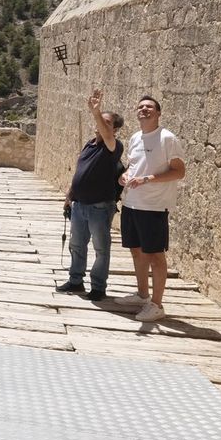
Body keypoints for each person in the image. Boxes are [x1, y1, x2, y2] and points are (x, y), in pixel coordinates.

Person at [117, 94, 185, 322]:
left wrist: (148, 179)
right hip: (131, 203)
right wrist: (126, 175)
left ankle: (157, 305)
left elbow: (179, 171)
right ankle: (142, 294)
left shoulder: (167, 138)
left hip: (154, 206)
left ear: (158, 113)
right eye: (140, 107)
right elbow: (133, 165)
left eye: (149, 107)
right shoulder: (136, 137)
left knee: (155, 255)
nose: (144, 110)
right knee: (136, 251)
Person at [56, 89, 124, 301]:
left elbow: (107, 136)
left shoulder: (113, 147)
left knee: (101, 248)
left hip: (99, 206)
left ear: (114, 129)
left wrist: (96, 111)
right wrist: (70, 195)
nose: (100, 125)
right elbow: (80, 172)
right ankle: (76, 281)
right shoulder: (89, 144)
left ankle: (98, 286)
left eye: (106, 122)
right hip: (79, 205)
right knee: (77, 244)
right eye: (100, 121)